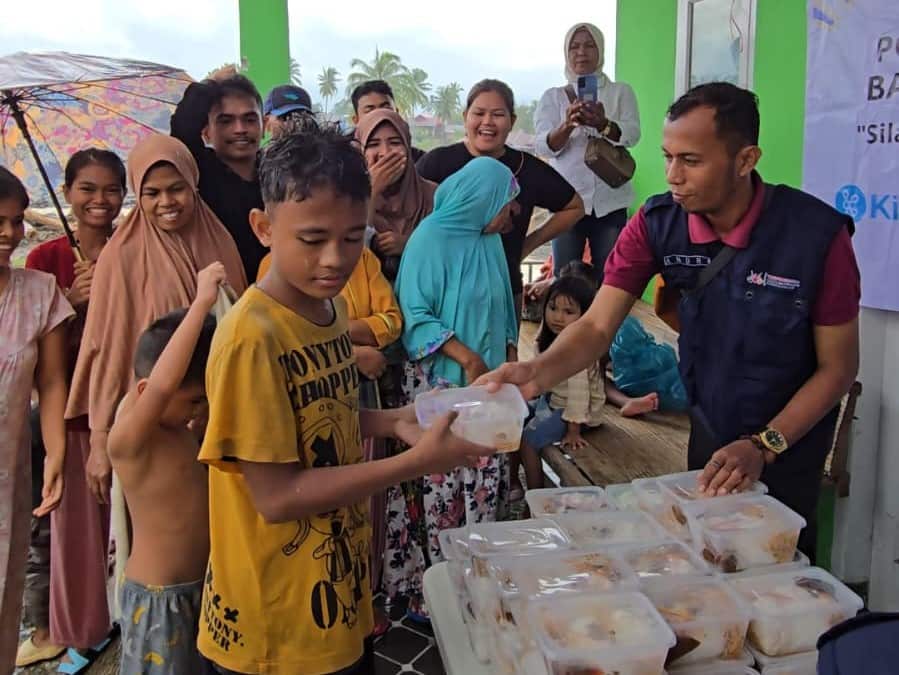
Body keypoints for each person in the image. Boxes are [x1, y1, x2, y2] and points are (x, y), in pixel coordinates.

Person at [478, 82, 861, 560]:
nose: (673, 176)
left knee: (779, 566)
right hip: (710, 426)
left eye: (691, 161)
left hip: (790, 439)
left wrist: (765, 445)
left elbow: (838, 368)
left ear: (745, 160)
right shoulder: (658, 223)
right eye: (668, 157)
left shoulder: (815, 236)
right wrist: (536, 373)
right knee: (708, 560)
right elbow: (596, 327)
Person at [197, 126, 493, 675]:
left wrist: (393, 420)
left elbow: (318, 415)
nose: (335, 259)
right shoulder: (251, 338)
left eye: (353, 238)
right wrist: (414, 462)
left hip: (333, 597)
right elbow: (276, 495)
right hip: (275, 626)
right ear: (263, 228)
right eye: (312, 240)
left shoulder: (327, 309)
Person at [66, 135, 247, 511]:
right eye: (152, 193)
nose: (166, 202)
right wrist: (100, 437)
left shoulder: (219, 241)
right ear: (138, 195)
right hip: (154, 427)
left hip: (222, 417)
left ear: (193, 185)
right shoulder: (121, 256)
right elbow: (108, 349)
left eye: (176, 189)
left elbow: (243, 330)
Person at [383, 157, 520, 621]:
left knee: (481, 478)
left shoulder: (490, 241)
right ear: (481, 200)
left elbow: (504, 304)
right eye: (506, 202)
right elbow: (414, 315)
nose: (512, 213)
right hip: (442, 384)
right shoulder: (430, 240)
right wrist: (468, 358)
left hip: (488, 387)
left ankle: (476, 580)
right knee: (440, 480)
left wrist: (509, 356)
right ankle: (437, 588)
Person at [18, 150, 126, 669]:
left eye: (111, 189)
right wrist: (71, 300)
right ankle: (80, 625)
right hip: (72, 414)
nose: (99, 201)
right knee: (74, 531)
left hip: (126, 408)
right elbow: (37, 357)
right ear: (66, 193)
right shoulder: (45, 261)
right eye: (87, 189)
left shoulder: (133, 248)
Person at [108, 264, 222, 675]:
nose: (199, 409)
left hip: (203, 589)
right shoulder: (130, 439)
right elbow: (162, 384)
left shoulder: (179, 430)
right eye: (193, 400)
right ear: (144, 391)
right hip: (159, 600)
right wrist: (202, 302)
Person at [417, 79, 584, 323]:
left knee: (502, 349)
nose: (487, 122)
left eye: (497, 114)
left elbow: (575, 207)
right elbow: (411, 210)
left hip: (503, 289)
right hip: (442, 289)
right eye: (479, 113)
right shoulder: (438, 163)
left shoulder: (526, 168)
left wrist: (528, 244)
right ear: (465, 117)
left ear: (512, 121)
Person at [0, 167, 72, 672]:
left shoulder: (40, 292)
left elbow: (50, 383)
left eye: (15, 220)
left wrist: (56, 454)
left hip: (11, 477)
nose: (9, 233)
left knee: (6, 588)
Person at [519, 275, 657, 490]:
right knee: (514, 418)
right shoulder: (552, 336)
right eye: (552, 308)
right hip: (555, 400)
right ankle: (513, 483)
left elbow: (579, 393)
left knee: (528, 441)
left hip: (575, 413)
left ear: (585, 315)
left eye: (568, 312)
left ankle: (534, 493)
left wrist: (573, 430)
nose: (557, 317)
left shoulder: (576, 349)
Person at [536, 22, 641, 279]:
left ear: (601, 50)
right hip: (567, 201)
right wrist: (567, 124)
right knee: (564, 279)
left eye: (589, 45)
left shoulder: (620, 92)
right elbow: (543, 146)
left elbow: (633, 135)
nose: (581, 52)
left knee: (611, 279)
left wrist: (603, 124)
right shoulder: (552, 97)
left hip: (610, 201)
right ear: (566, 52)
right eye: (574, 46)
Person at [170, 69, 267, 280]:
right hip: (223, 292)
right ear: (206, 132)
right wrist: (210, 84)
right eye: (226, 121)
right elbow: (182, 129)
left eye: (249, 119)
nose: (240, 129)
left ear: (264, 125)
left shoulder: (280, 174)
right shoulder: (200, 173)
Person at [356, 109, 437, 281]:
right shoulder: (347, 199)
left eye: (394, 142)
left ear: (408, 147)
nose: (385, 153)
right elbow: (349, 251)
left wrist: (410, 245)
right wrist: (371, 191)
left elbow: (451, 252)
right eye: (373, 144)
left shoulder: (434, 196)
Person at [350, 80, 424, 161]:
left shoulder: (421, 161)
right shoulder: (343, 162)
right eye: (370, 111)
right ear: (356, 120)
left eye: (386, 109)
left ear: (397, 114)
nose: (380, 116)